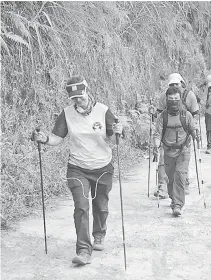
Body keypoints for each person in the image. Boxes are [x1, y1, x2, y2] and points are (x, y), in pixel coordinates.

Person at [31, 75, 124, 265]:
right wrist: (44, 139)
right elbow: (57, 137)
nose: (77, 102)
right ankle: (83, 250)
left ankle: (99, 234)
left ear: (87, 92)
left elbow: (114, 140)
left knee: (101, 206)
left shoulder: (103, 111)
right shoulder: (67, 114)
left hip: (102, 167)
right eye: (74, 99)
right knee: (81, 207)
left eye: (80, 97)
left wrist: (118, 132)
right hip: (77, 168)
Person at [152, 87, 198, 217]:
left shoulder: (186, 115)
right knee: (171, 178)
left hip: (183, 151)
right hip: (168, 151)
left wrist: (196, 136)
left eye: (176, 99)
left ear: (180, 100)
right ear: (166, 100)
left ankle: (178, 204)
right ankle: (174, 199)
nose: (173, 102)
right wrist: (156, 146)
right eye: (171, 99)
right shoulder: (163, 117)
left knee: (180, 176)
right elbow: (157, 134)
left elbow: (192, 129)